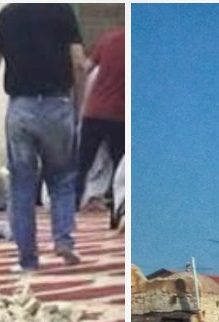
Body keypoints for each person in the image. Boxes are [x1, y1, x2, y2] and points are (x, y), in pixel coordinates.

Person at [0, 3, 85, 272]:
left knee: (22, 186)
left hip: (21, 108)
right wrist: (77, 109)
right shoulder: (62, 12)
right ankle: (64, 240)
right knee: (61, 179)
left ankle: (27, 259)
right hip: (57, 104)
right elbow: (79, 64)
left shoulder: (6, 16)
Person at [75, 24, 123, 211]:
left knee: (83, 162)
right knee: (119, 163)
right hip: (120, 114)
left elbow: (85, 68)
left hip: (94, 110)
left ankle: (73, 201)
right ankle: (116, 205)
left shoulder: (108, 39)